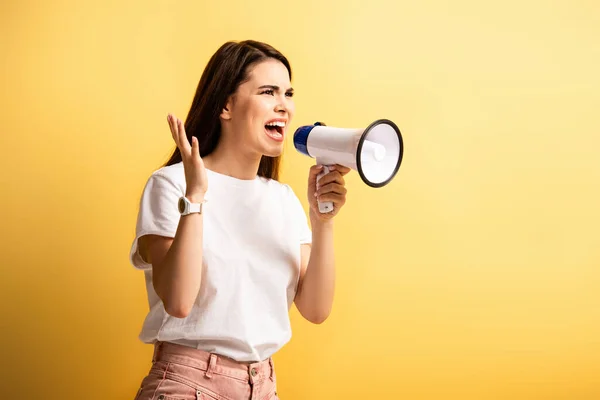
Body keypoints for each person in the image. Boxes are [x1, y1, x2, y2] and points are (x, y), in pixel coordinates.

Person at [129, 40, 350, 400]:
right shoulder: (170, 185)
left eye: (288, 93)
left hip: (263, 387)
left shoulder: (282, 199)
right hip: (189, 385)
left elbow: (316, 309)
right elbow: (179, 301)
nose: (284, 106)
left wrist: (322, 219)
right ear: (226, 105)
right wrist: (196, 197)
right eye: (268, 92)